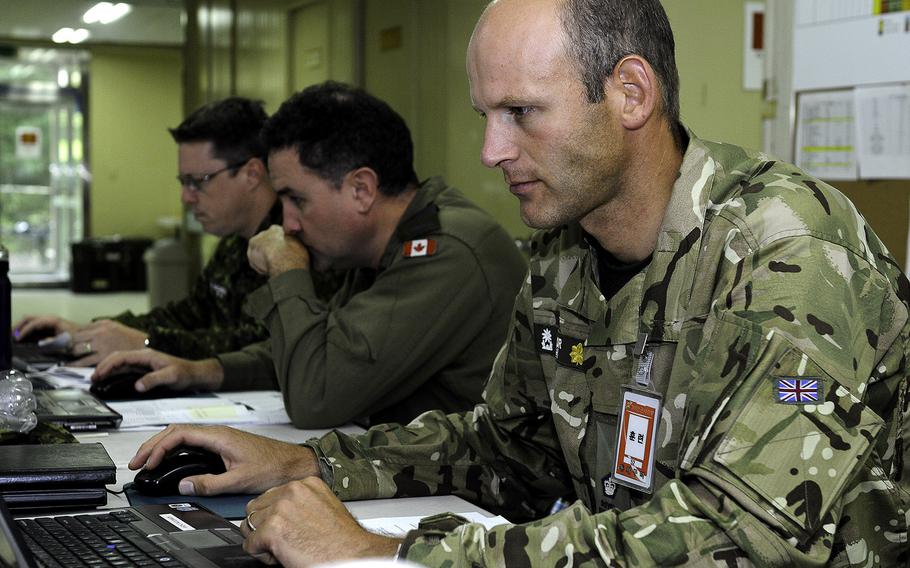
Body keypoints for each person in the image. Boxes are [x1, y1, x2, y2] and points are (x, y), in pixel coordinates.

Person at [128, 1, 910, 566]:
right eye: (485, 114)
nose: (490, 150)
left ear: (631, 95)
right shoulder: (565, 254)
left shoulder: (790, 251)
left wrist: (388, 554)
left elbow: (741, 536)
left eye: (521, 112)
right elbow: (504, 452)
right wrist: (305, 463)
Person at [97, 81, 527, 428]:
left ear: (361, 189)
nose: (287, 224)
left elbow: (315, 397)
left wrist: (287, 270)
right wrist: (201, 370)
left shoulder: (444, 250)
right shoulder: (376, 245)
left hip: (478, 509)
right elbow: (316, 350)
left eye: (296, 200)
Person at [13, 97, 335, 365]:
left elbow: (262, 344)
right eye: (184, 182)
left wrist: (147, 342)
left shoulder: (300, 242)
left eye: (198, 182)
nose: (186, 197)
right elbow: (189, 314)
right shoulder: (235, 242)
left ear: (251, 174)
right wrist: (89, 331)